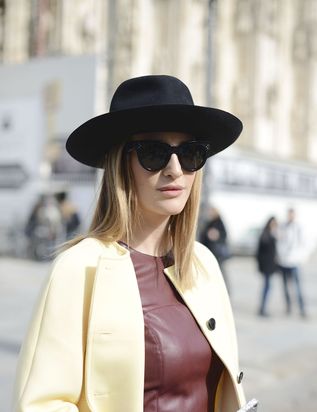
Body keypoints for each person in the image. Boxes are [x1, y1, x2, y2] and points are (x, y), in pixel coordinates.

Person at [13, 75, 247, 412]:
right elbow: (41, 404)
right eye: (154, 153)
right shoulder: (80, 268)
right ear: (121, 164)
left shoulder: (202, 262)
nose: (174, 169)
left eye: (190, 153)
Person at [277, 208, 307, 317]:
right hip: (284, 261)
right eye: (289, 215)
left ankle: (302, 308)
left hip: (294, 261)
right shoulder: (282, 226)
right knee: (285, 286)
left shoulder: (298, 228)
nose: (290, 217)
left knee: (297, 287)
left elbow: (303, 244)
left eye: (292, 215)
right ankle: (288, 306)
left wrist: (301, 258)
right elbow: (279, 242)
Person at [200, 207, 231, 291]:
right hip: (208, 252)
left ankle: (224, 289)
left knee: (219, 272)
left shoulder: (219, 222)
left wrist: (217, 235)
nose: (210, 213)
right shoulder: (209, 222)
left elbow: (224, 236)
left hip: (217, 254)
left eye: (211, 211)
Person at [256, 216, 278, 317]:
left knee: (268, 287)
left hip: (270, 266)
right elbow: (261, 252)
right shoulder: (266, 235)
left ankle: (263, 308)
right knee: (267, 287)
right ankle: (262, 308)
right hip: (267, 266)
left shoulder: (271, 234)